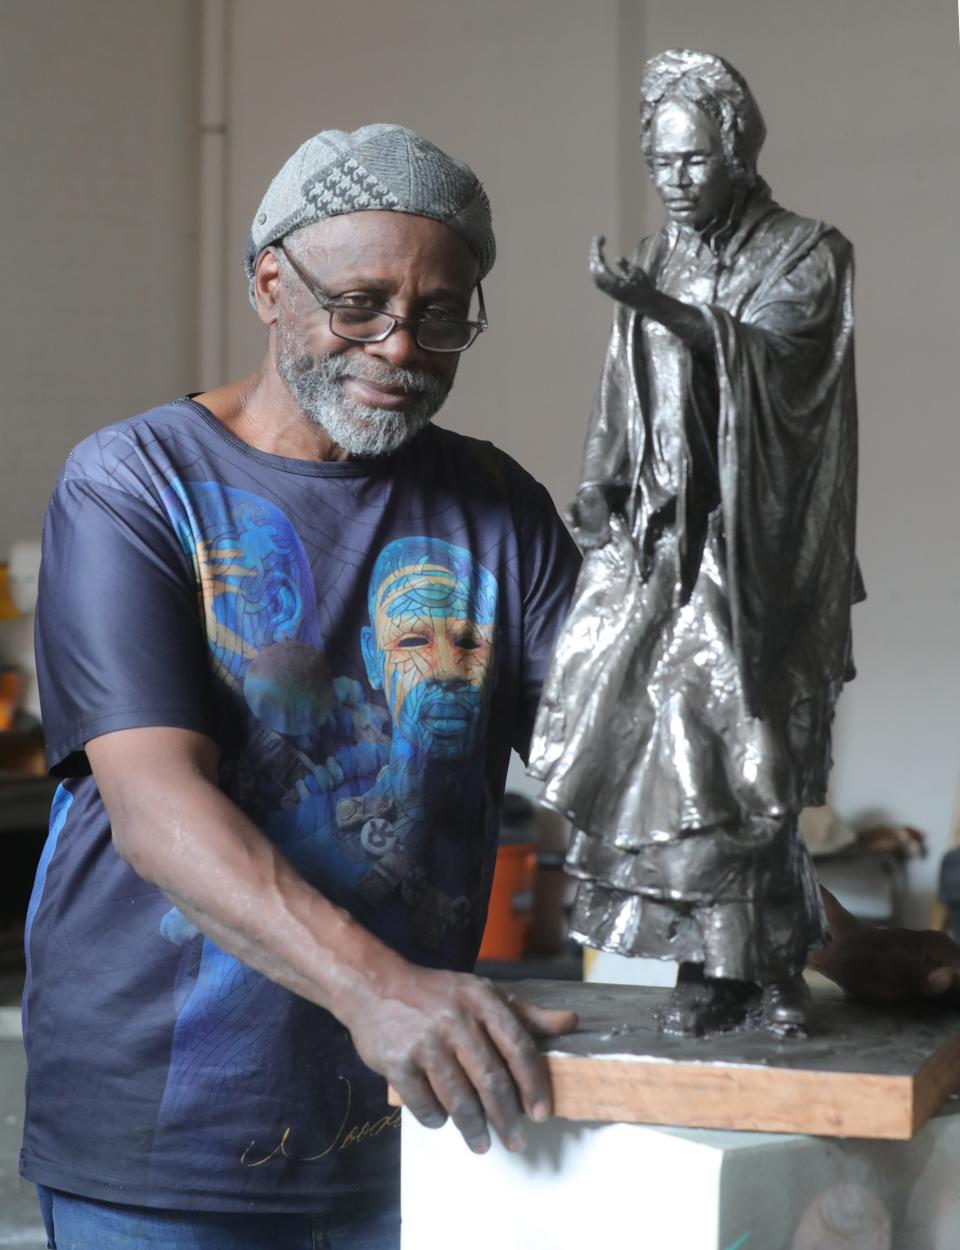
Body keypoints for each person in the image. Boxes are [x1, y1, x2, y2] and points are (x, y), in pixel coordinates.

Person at [21, 124, 581, 1249]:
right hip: (163, 1146)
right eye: (361, 302)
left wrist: (814, 935)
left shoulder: (499, 508)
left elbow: (621, 760)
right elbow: (155, 806)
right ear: (270, 282)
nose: (398, 346)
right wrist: (381, 989)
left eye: (439, 315)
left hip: (416, 1124)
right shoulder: (134, 482)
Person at [528, 48, 865, 1038]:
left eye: (691, 162)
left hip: (762, 555)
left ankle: (777, 966)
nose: (673, 182)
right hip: (665, 545)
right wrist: (599, 477)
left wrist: (663, 310)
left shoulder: (808, 253)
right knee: (665, 762)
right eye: (661, 163)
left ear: (737, 153)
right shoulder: (662, 258)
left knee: (753, 751)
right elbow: (622, 390)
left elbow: (780, 367)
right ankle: (711, 969)